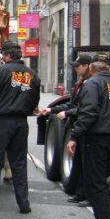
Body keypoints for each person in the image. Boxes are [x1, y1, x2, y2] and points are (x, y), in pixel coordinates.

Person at [0, 41, 40, 214]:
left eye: (3, 54)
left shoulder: (1, 71)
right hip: (21, 123)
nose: (2, 57)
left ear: (8, 55)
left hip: (2, 122)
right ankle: (24, 204)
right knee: (19, 163)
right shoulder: (32, 74)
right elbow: (34, 100)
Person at [67, 54, 110, 219]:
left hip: (96, 137)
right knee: (101, 181)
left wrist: (75, 136)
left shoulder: (92, 84)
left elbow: (87, 112)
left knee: (95, 184)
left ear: (91, 69)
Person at [38, 54, 92, 205]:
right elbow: (72, 105)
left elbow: (85, 109)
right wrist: (51, 110)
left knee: (88, 165)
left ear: (87, 66)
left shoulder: (91, 85)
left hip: (85, 127)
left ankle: (87, 195)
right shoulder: (80, 84)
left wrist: (67, 114)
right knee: (79, 163)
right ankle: (80, 194)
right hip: (78, 126)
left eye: (78, 65)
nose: (76, 68)